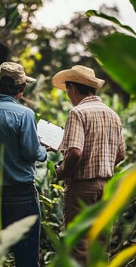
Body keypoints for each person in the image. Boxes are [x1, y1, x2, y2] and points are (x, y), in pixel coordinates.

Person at [0, 62, 47, 267]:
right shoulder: (25, 114)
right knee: (26, 259)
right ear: (21, 89)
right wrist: (43, 149)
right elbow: (32, 152)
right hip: (21, 196)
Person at [51, 65, 126, 266]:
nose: (68, 96)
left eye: (68, 91)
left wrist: (61, 172)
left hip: (82, 187)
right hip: (106, 187)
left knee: (78, 245)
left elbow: (75, 152)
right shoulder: (113, 115)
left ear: (73, 89)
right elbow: (121, 154)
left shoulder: (77, 113)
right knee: (101, 244)